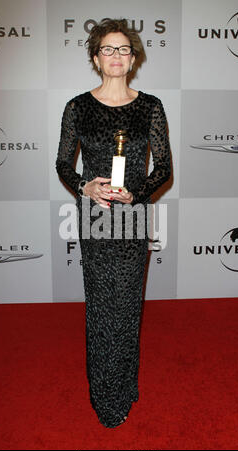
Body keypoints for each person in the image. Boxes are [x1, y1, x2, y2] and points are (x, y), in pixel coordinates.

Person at [56, 18, 171, 428]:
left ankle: (125, 385)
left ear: (134, 57)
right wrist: (85, 187)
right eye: (108, 49)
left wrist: (137, 194)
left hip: (133, 218)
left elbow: (164, 168)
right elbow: (62, 164)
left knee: (127, 306)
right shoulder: (78, 107)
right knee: (101, 305)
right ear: (95, 57)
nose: (117, 56)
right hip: (96, 220)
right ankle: (103, 392)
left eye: (124, 49)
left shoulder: (150, 106)